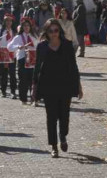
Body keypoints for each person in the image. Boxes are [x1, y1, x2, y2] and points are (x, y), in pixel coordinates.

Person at [33, 19, 83, 158]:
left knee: (64, 116)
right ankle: (54, 146)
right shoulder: (42, 47)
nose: (54, 34)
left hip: (65, 84)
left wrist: (78, 85)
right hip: (48, 85)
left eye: (56, 30)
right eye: (51, 31)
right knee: (51, 117)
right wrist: (34, 86)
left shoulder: (67, 45)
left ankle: (63, 136)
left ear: (59, 31)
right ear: (46, 33)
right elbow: (37, 67)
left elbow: (73, 67)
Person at [7, 17, 38, 105]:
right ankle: (23, 98)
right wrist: (18, 47)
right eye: (24, 26)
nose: (26, 27)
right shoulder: (18, 37)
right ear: (22, 27)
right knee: (23, 80)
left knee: (33, 79)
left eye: (28, 25)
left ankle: (34, 98)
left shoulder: (34, 36)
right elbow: (9, 47)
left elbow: (38, 46)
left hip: (32, 60)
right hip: (22, 60)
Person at [0, 14, 18, 98]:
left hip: (12, 55)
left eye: (10, 21)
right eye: (7, 21)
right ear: (4, 22)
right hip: (2, 55)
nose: (8, 22)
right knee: (3, 74)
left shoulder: (14, 31)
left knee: (12, 74)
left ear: (12, 22)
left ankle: (13, 92)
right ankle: (3, 91)